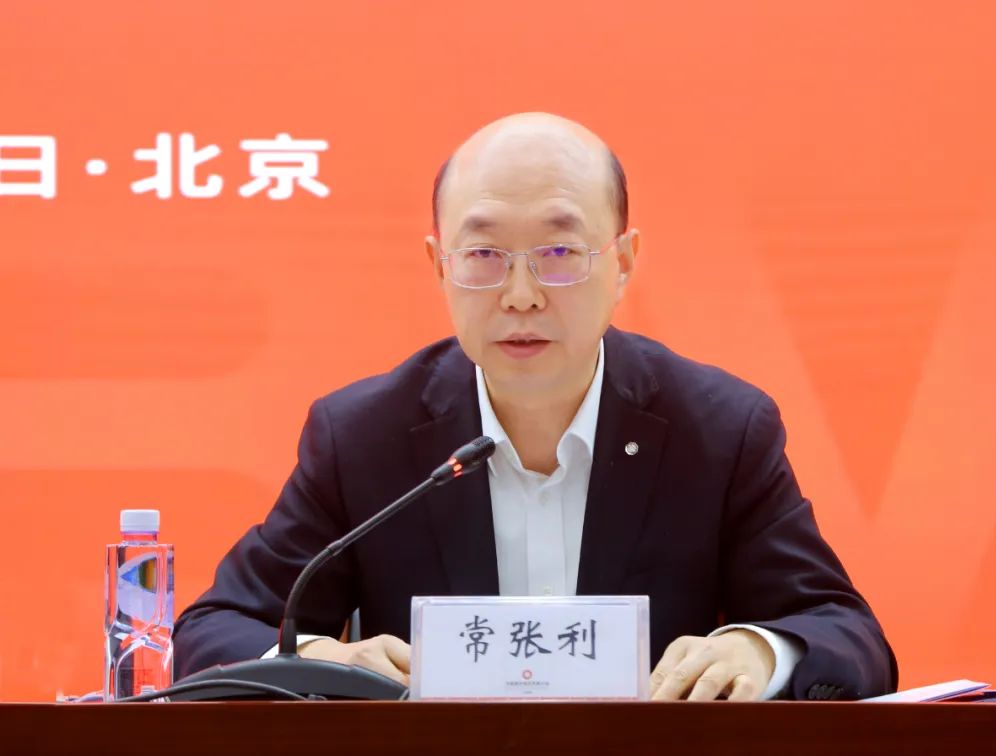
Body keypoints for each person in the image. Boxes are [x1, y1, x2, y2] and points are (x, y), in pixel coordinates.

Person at [174, 112, 897, 701]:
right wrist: (314, 658)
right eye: (484, 256)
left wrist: (760, 649)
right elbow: (214, 629)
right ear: (439, 267)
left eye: (559, 254)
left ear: (623, 263)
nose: (521, 296)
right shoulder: (366, 436)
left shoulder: (718, 430)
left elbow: (847, 635)